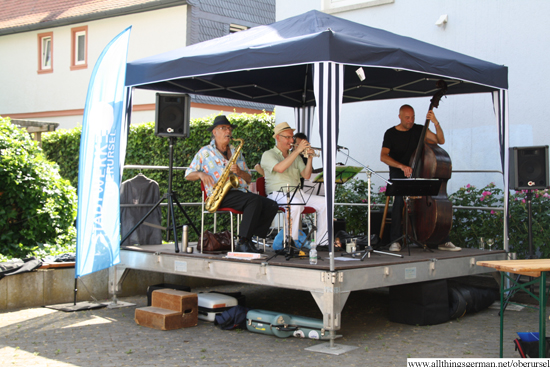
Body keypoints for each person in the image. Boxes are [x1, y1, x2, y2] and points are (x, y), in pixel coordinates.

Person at [185, 115, 279, 253]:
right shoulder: (204, 152)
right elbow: (187, 175)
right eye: (223, 128)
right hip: (218, 196)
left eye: (229, 128)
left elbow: (248, 178)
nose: (228, 131)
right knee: (253, 201)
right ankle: (243, 241)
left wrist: (240, 172)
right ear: (214, 132)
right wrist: (201, 174)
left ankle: (250, 237)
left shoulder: (236, 151)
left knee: (272, 204)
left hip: (238, 193)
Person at [380, 104, 461, 252]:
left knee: (430, 196)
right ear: (400, 117)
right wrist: (401, 166)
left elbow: (440, 140)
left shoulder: (419, 130)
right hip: (399, 173)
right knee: (399, 200)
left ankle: (442, 239)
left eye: (413, 117)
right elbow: (383, 156)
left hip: (418, 172)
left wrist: (436, 122)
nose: (410, 121)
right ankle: (395, 240)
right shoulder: (391, 133)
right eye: (407, 118)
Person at [261, 122, 327, 247]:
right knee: (295, 204)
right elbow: (280, 168)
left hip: (297, 193)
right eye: (288, 137)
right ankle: (290, 242)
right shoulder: (268, 154)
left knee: (325, 203)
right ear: (278, 137)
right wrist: (297, 151)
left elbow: (306, 175)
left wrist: (310, 157)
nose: (291, 140)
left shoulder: (295, 156)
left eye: (292, 137)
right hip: (276, 194)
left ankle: (322, 242)